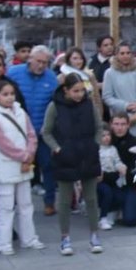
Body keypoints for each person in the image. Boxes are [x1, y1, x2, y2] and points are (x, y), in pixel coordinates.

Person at [42, 73, 104, 256]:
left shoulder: (88, 105)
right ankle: (65, 237)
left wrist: (96, 144)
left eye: (82, 91)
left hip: (87, 154)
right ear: (66, 90)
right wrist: (58, 149)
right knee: (65, 200)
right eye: (75, 91)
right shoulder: (55, 106)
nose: (79, 95)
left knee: (91, 198)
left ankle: (94, 235)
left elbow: (99, 126)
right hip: (65, 157)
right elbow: (46, 132)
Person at [0, 79, 44, 256]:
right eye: (5, 94)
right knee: (6, 206)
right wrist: (25, 156)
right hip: (6, 166)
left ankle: (29, 238)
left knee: (26, 204)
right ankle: (4, 242)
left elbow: (31, 134)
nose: (9, 98)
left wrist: (30, 152)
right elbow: (3, 144)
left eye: (11, 94)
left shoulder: (20, 112)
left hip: (24, 165)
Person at [7, 45, 59, 215]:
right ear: (30, 58)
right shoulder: (13, 73)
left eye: (45, 62)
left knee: (48, 166)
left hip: (42, 131)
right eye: (38, 61)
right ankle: (13, 205)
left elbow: (56, 104)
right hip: (19, 131)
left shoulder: (51, 78)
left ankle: (49, 202)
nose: (41, 65)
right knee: (18, 168)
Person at [102, 42, 136, 141]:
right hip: (120, 123)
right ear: (116, 55)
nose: (125, 56)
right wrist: (125, 105)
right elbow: (107, 97)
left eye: (128, 53)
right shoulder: (110, 73)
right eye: (122, 53)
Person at [97, 113, 136, 229]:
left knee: (131, 220)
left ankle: (127, 206)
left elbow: (135, 173)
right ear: (111, 125)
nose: (119, 128)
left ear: (128, 125)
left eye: (123, 124)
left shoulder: (135, 143)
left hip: (126, 184)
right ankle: (105, 210)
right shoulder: (104, 140)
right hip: (105, 184)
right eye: (116, 124)